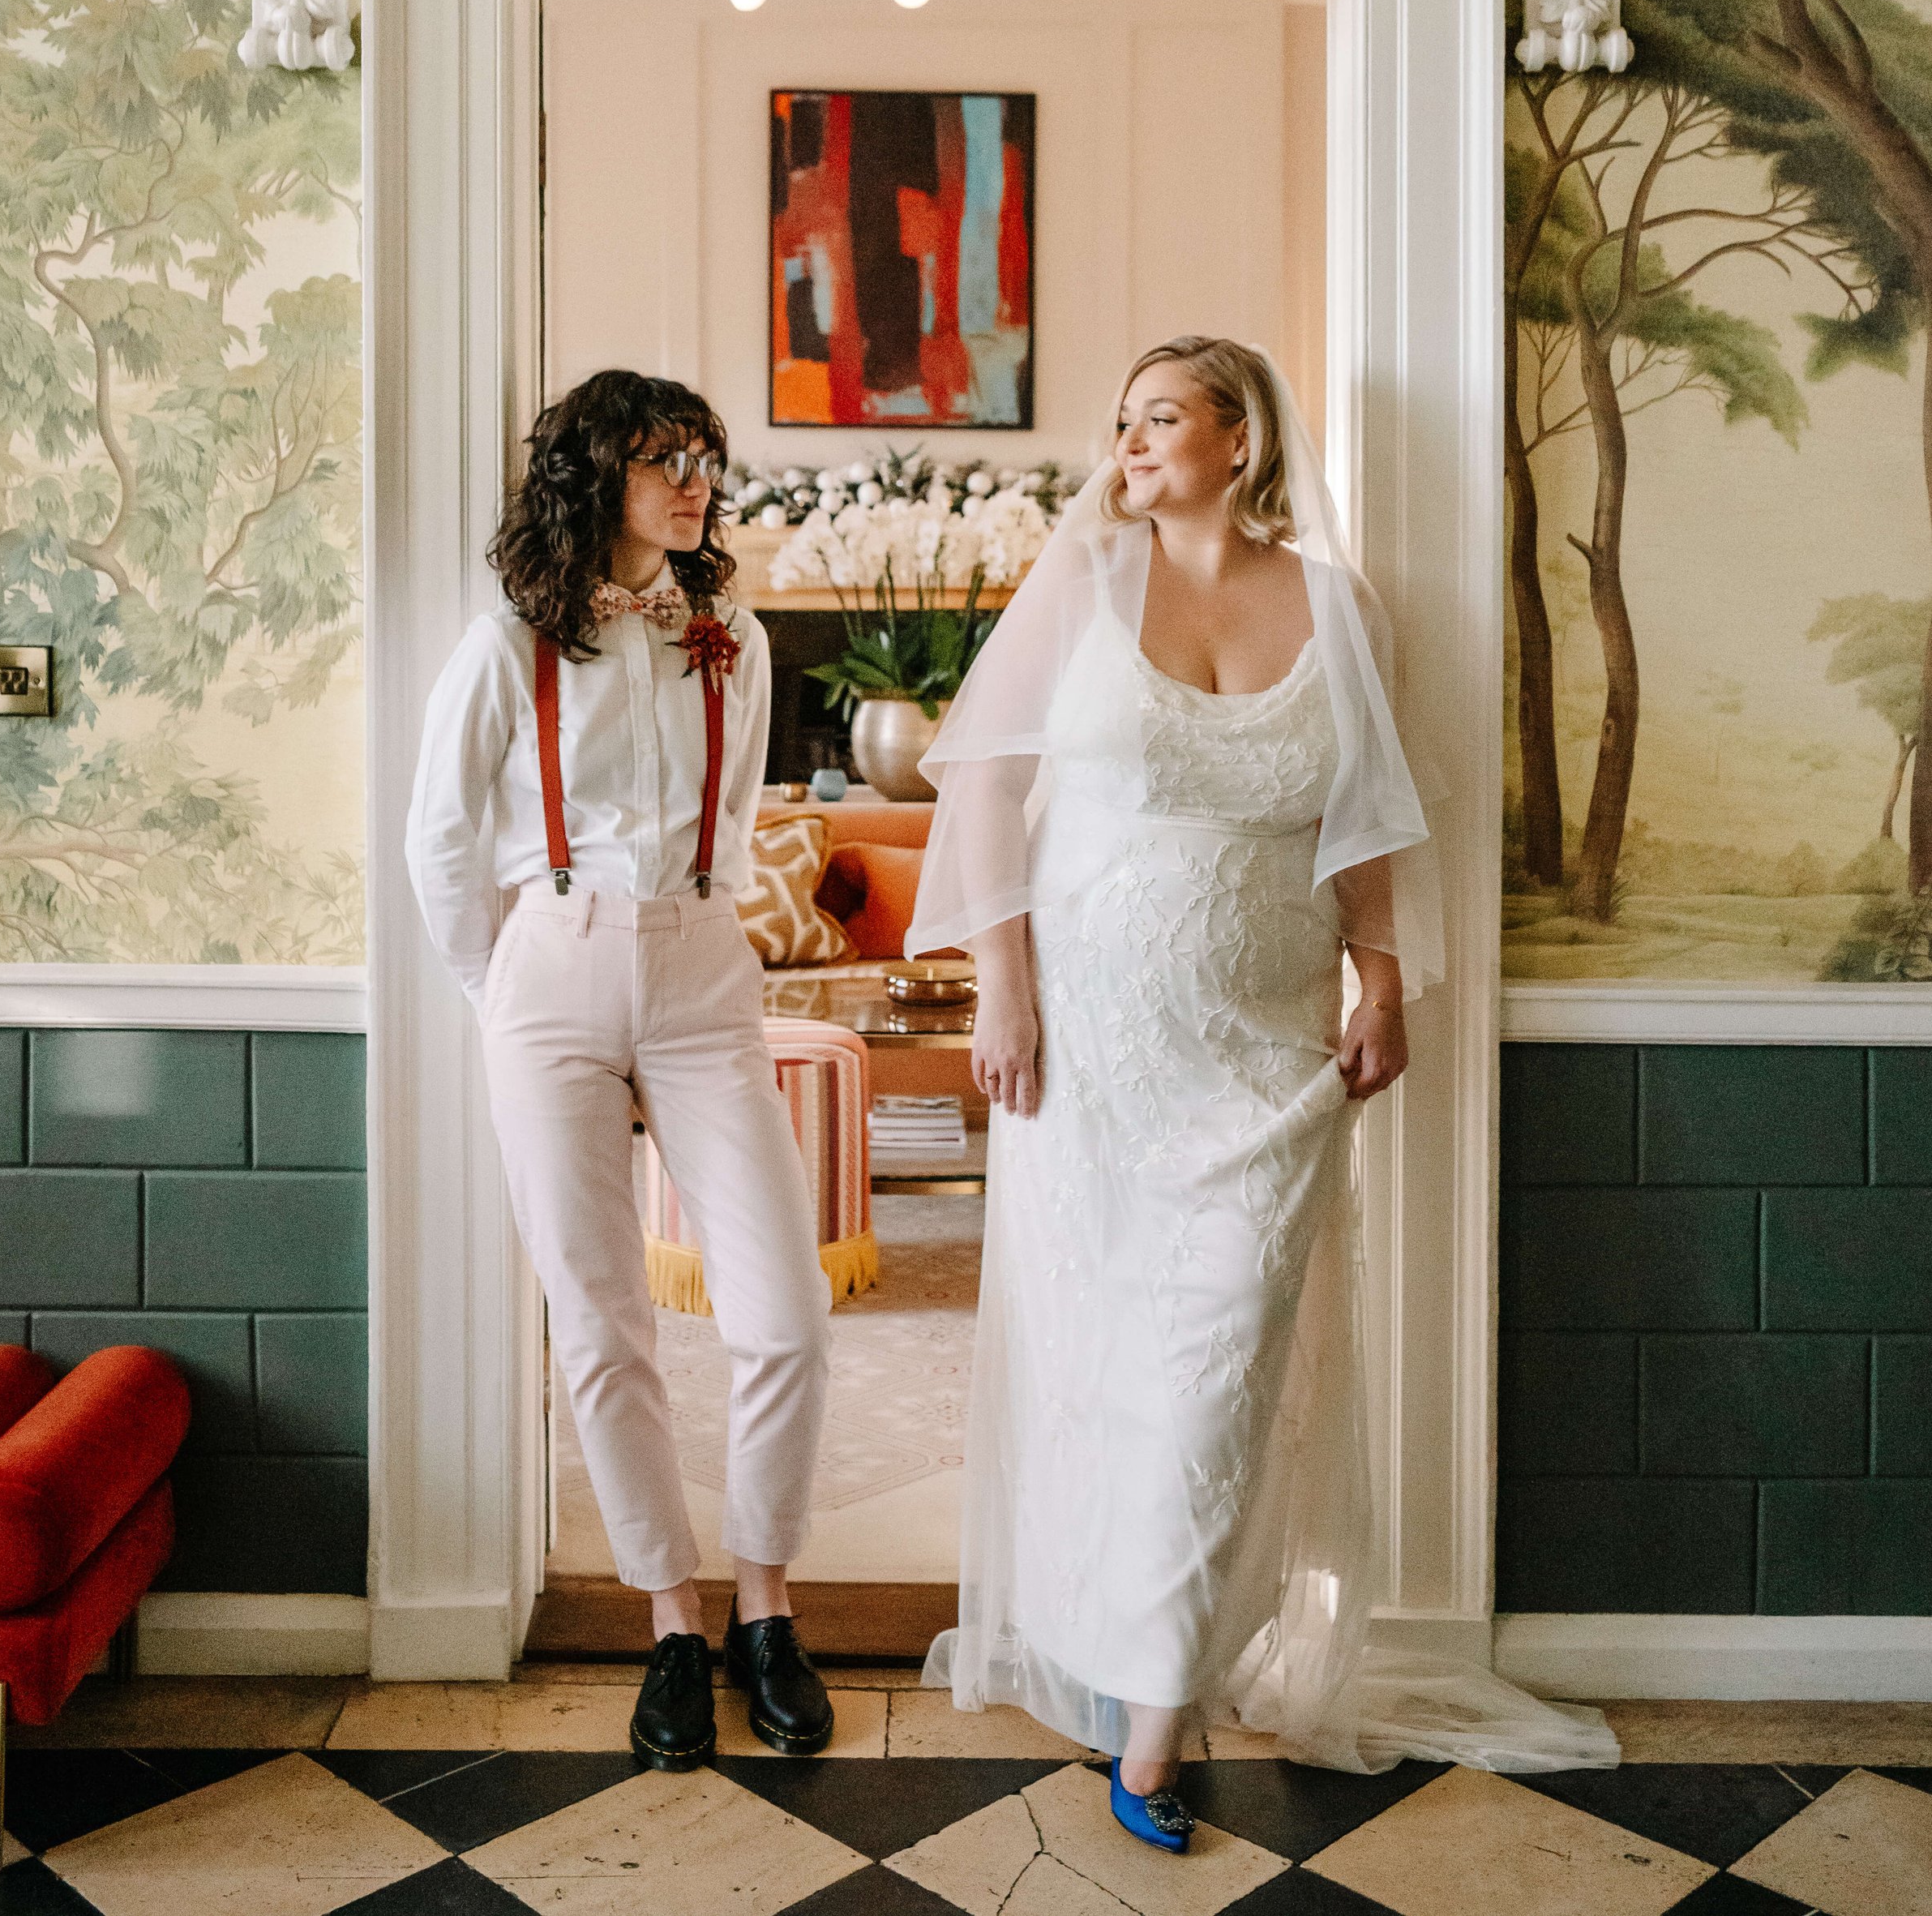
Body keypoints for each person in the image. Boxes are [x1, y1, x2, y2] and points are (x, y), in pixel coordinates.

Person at [906, 336, 1613, 1847]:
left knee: (1219, 1371)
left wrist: (1382, 978)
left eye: (1162, 413)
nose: (1133, 438)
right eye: (1122, 418)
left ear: (1242, 434)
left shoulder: (1336, 602)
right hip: (1091, 1058)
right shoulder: (1082, 580)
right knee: (1110, 1378)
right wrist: (1004, 996)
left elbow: (1365, 809)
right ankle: (1132, 1675)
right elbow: (981, 790)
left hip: (1265, 1059)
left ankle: (1155, 1730)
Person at [405, 368, 835, 1768]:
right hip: (550, 968)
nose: (696, 482)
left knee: (784, 1314)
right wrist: (506, 990)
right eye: (665, 460)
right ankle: (670, 1621)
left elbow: (746, 798)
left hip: (703, 965)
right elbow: (440, 844)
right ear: (599, 475)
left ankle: (764, 1607)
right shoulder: (504, 645)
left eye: (704, 459)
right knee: (601, 1323)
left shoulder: (734, 636)